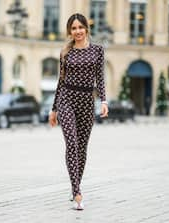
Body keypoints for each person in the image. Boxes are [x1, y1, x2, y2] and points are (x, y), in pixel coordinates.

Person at [48, 13, 108, 211]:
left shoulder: (98, 51)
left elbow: (100, 78)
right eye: (73, 28)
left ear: (86, 29)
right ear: (69, 31)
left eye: (80, 27)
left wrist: (104, 101)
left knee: (82, 149)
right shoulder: (66, 52)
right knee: (71, 144)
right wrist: (54, 109)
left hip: (86, 102)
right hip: (67, 98)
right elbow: (60, 81)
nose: (77, 31)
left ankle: (76, 183)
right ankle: (77, 192)